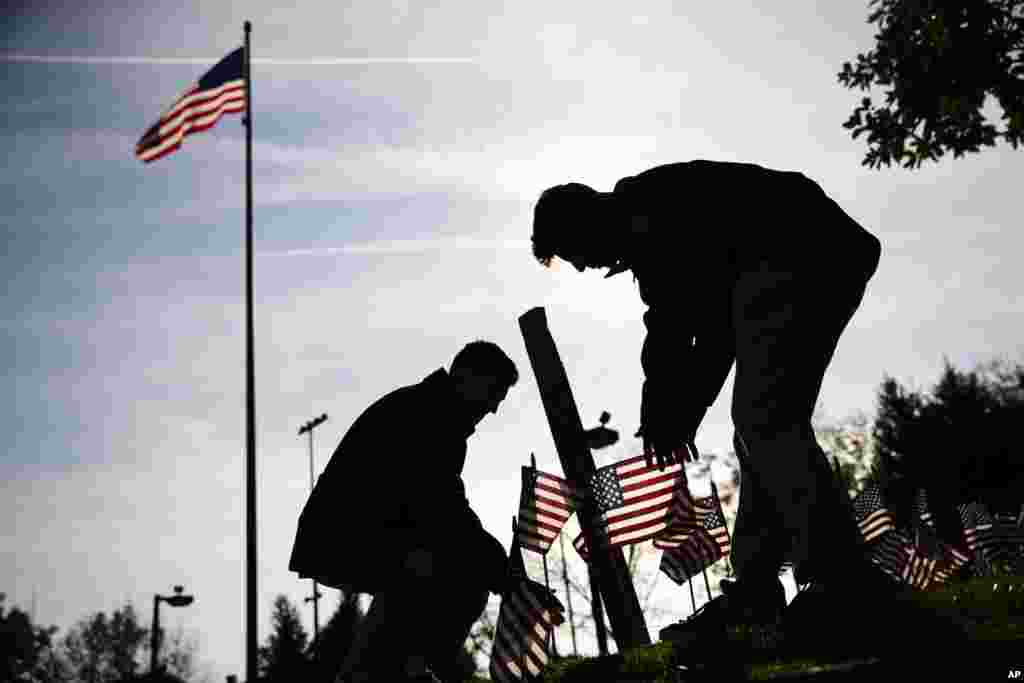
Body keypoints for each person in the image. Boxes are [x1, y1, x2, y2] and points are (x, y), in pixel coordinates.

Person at [529, 160, 937, 655]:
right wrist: (672, 412)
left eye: (576, 253)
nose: (582, 266)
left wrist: (671, 414)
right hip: (818, 253)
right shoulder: (647, 226)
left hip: (803, 249)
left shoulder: (650, 216)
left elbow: (695, 331)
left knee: (766, 421)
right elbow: (700, 329)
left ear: (586, 219)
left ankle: (839, 577)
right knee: (760, 427)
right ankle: (759, 586)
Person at [288, 341, 519, 682]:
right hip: (347, 531)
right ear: (466, 376)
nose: (494, 408)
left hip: (361, 530)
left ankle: (392, 669)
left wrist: (497, 568)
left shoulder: (432, 411)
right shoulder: (429, 416)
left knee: (427, 573)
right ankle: (414, 668)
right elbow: (441, 509)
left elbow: (442, 508)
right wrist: (500, 570)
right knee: (453, 575)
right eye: (493, 393)